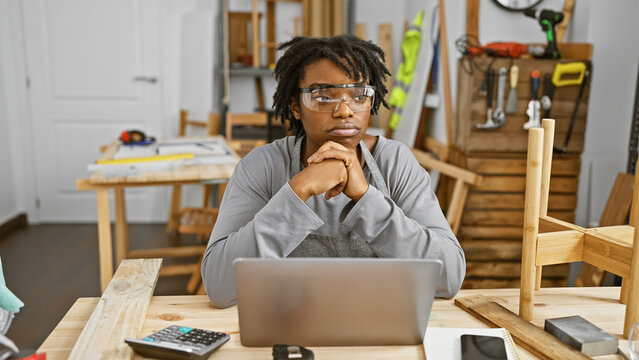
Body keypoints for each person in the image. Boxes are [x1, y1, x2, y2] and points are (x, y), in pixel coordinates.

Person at [202, 35, 465, 308]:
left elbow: (449, 276)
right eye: (323, 97)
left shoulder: (395, 162)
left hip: (378, 327)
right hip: (288, 325)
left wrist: (366, 198)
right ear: (295, 106)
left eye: (359, 96)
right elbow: (219, 286)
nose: (344, 111)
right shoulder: (262, 166)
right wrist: (297, 191)